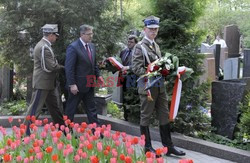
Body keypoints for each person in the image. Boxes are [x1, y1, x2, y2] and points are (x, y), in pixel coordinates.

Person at [132, 16, 186, 156]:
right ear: (145, 29)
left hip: (160, 87)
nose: (153, 32)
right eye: (151, 29)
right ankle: (147, 147)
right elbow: (136, 68)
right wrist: (152, 72)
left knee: (164, 115)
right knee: (146, 117)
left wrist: (166, 71)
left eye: (155, 29)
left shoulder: (156, 45)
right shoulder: (140, 47)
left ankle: (169, 147)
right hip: (148, 88)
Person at [24, 24, 65, 135]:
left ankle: (64, 130)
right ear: (50, 35)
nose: (56, 38)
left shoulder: (45, 45)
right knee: (34, 110)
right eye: (55, 35)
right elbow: (51, 66)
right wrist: (64, 68)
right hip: (42, 83)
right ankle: (25, 134)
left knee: (55, 109)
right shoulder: (44, 47)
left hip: (47, 83)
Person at [65, 24, 104, 125]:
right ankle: (66, 132)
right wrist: (72, 84)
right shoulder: (73, 47)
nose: (91, 36)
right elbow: (69, 68)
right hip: (77, 86)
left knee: (92, 109)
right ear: (82, 34)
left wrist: (98, 76)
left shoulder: (92, 46)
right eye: (89, 34)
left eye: (92, 34)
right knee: (71, 109)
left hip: (89, 84)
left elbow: (93, 64)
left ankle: (97, 131)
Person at [119, 35, 138, 121]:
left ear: (136, 43)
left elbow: (137, 65)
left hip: (133, 78)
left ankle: (132, 116)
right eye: (128, 42)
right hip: (123, 77)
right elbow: (121, 63)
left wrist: (128, 68)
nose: (129, 43)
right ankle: (126, 116)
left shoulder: (138, 53)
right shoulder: (124, 51)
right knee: (124, 96)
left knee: (131, 97)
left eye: (131, 42)